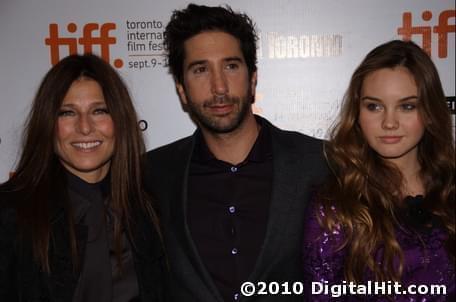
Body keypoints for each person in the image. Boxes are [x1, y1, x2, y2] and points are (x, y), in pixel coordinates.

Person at [145, 3, 327, 302]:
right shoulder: (151, 174)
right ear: (181, 90)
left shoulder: (320, 163)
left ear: (252, 78)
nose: (219, 87)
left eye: (231, 66)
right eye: (200, 69)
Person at [0, 54, 167, 301]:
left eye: (99, 111)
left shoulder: (151, 207)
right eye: (67, 113)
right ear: (48, 123)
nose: (85, 127)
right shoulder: (9, 214)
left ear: (119, 120)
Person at [302, 40, 455, 301]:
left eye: (407, 106)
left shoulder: (451, 190)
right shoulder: (336, 206)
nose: (389, 122)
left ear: (429, 112)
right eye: (374, 106)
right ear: (357, 113)